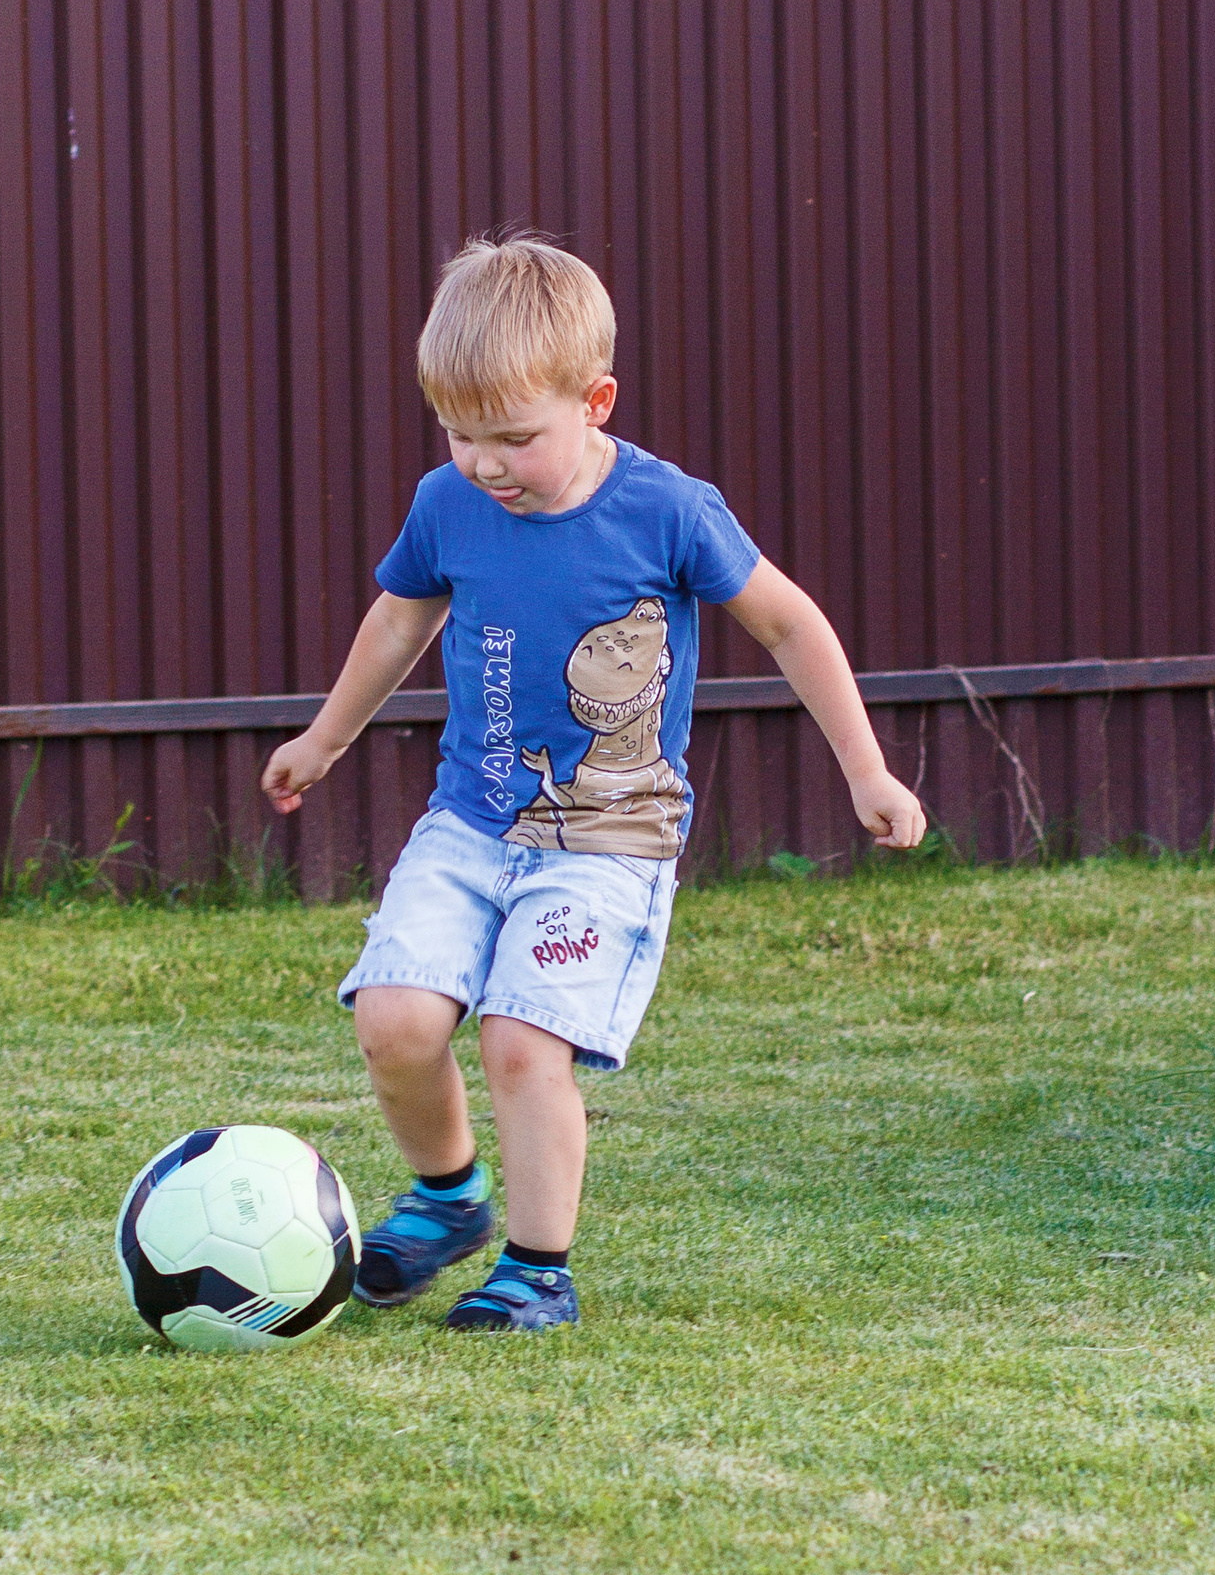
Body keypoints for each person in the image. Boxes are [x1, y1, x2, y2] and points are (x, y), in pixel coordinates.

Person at [261, 232, 927, 1332]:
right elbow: (397, 621)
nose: (485, 465)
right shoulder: (449, 503)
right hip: (470, 823)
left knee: (522, 1040)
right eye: (460, 435)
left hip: (609, 842)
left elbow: (789, 623)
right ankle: (446, 1200)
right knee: (391, 1017)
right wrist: (325, 741)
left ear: (597, 401)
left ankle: (536, 1270)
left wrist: (866, 771)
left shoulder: (668, 511)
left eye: (513, 438)